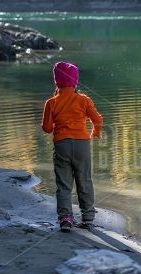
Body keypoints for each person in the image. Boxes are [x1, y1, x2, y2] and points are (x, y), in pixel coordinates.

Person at [41, 61, 103, 232]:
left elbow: (46, 128)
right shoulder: (84, 100)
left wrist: (58, 128)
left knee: (63, 183)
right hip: (82, 144)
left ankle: (66, 218)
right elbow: (97, 119)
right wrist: (96, 131)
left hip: (62, 145)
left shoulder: (51, 103)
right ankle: (88, 218)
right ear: (75, 82)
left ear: (56, 82)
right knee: (84, 180)